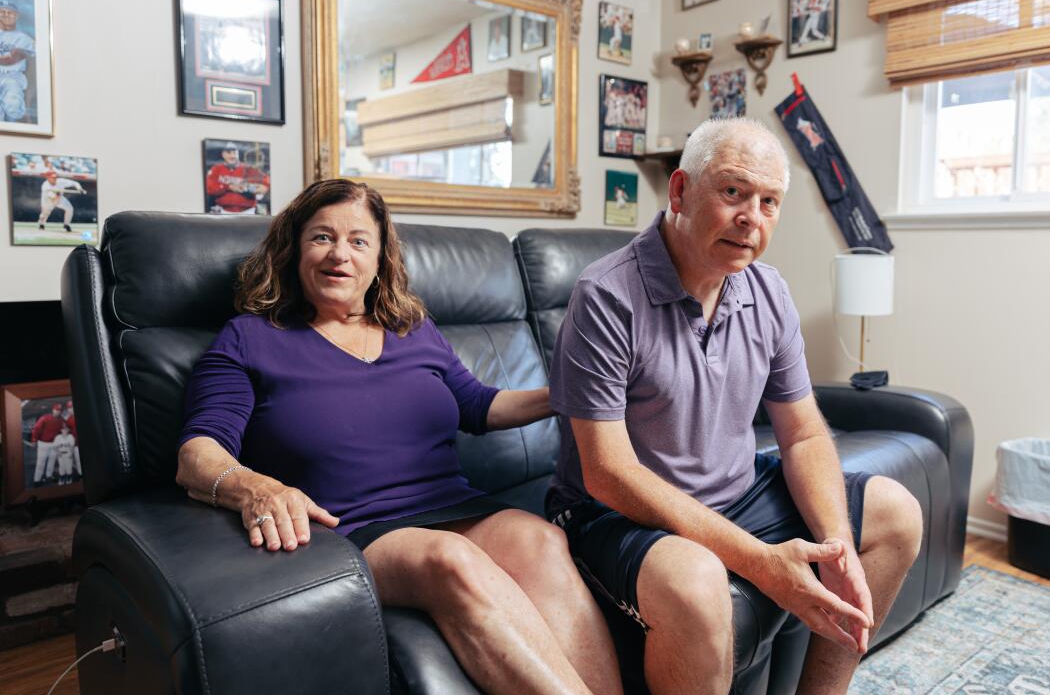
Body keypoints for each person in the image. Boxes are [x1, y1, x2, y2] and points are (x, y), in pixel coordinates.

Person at [176, 179, 620, 695]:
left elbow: (477, 405)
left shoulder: (414, 328)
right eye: (322, 237)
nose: (339, 254)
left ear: (380, 256)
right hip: (354, 525)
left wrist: (575, 392)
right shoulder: (251, 337)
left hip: (450, 504)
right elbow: (197, 454)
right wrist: (258, 488)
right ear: (295, 248)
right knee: (449, 561)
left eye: (359, 241)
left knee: (540, 538)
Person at [547, 117, 923, 694]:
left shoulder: (767, 290)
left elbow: (801, 435)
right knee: (698, 581)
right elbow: (608, 475)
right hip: (614, 516)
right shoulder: (607, 295)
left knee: (896, 513)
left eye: (769, 202)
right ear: (679, 191)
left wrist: (837, 545)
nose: (751, 217)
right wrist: (760, 562)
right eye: (733, 192)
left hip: (736, 493)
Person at [205, 141, 269, 214]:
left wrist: (264, 187)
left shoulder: (248, 168)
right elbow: (209, 189)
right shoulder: (216, 169)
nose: (232, 156)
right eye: (229, 153)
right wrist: (228, 187)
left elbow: (265, 181)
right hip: (223, 211)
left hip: (248, 211)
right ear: (223, 154)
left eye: (235, 153)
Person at [0, 0, 35, 123]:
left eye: (10, 12)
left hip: (13, 77)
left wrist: (19, 55)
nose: (6, 15)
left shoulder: (24, 38)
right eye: (2, 12)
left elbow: (11, 59)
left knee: (12, 104)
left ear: (17, 15)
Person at [38, 169, 86, 233]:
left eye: (55, 177)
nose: (54, 178)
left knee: (69, 208)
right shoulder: (45, 186)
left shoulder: (60, 181)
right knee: (45, 214)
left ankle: (66, 224)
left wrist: (79, 188)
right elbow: (52, 197)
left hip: (60, 198)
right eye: (52, 177)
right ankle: (41, 224)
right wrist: (58, 194)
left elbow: (75, 183)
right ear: (48, 177)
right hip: (48, 201)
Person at [30, 402, 66, 485]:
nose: (58, 412)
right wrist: (34, 440)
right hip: (43, 443)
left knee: (52, 461)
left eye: (60, 410)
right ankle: (37, 480)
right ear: (53, 410)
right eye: (56, 410)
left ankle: (48, 476)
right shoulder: (44, 418)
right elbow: (36, 429)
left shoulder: (61, 420)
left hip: (54, 444)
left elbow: (63, 431)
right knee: (41, 462)